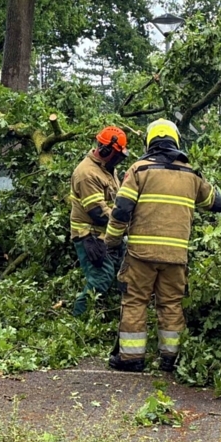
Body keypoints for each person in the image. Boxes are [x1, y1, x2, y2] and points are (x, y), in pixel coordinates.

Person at [104, 119, 221, 372]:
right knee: (171, 304)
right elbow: (215, 202)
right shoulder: (191, 174)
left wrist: (110, 241)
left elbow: (121, 210)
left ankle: (131, 359)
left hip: (140, 255)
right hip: (176, 256)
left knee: (135, 301)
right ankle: (170, 359)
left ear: (149, 141)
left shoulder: (139, 170)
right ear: (176, 140)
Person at [69, 126, 128, 316]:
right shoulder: (87, 174)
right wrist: (126, 225)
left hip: (106, 232)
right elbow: (98, 212)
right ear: (105, 150)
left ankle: (110, 311)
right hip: (90, 235)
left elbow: (115, 199)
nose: (119, 159)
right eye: (118, 154)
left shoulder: (108, 169)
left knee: (126, 265)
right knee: (101, 277)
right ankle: (78, 320)